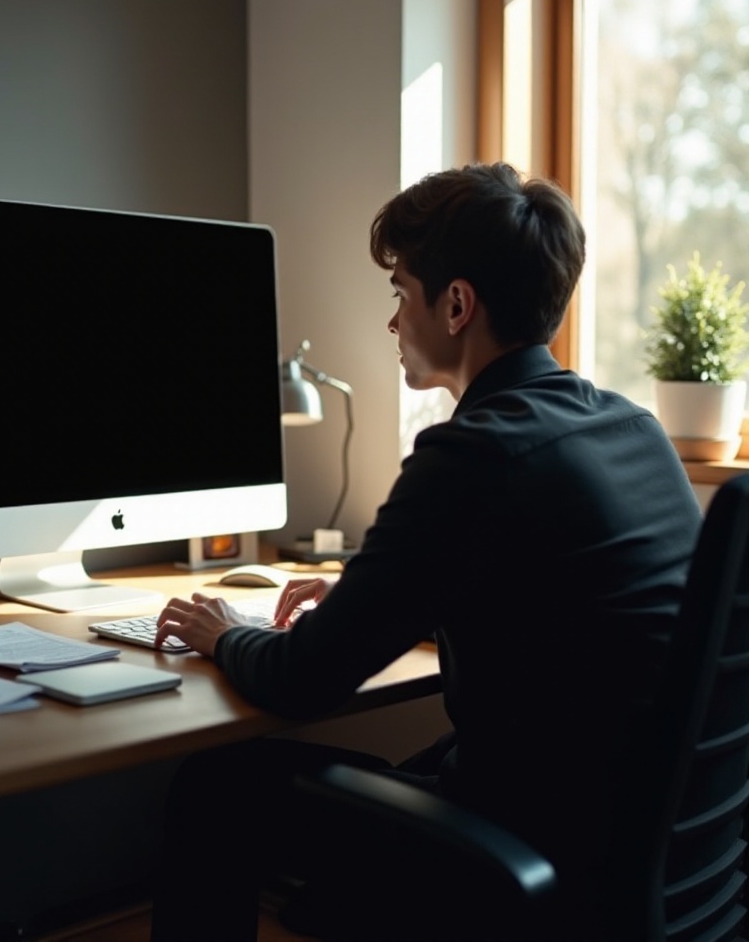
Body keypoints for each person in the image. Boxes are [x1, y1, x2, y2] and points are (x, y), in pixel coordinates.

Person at [149, 162, 703, 941]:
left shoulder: (474, 453)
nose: (391, 321)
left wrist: (221, 632)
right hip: (651, 850)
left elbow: (302, 681)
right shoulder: (630, 428)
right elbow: (552, 609)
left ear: (455, 304)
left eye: (399, 292)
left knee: (217, 788)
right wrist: (370, 597)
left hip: (541, 863)